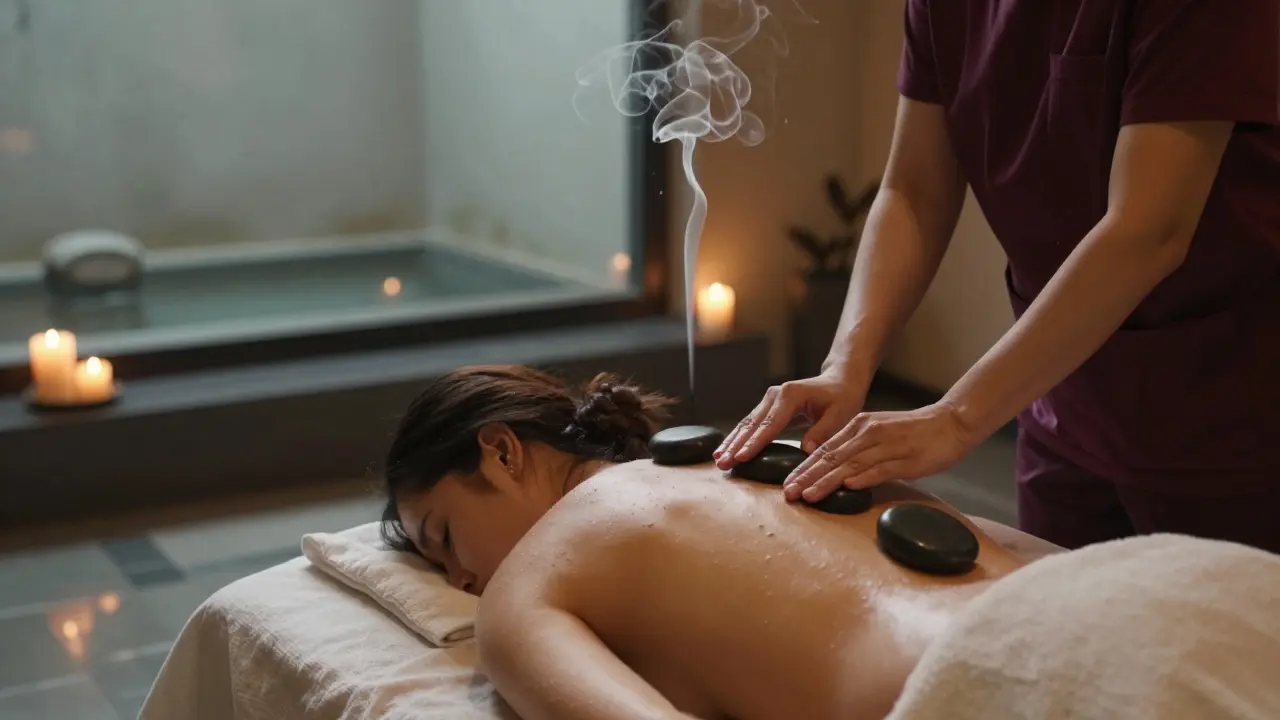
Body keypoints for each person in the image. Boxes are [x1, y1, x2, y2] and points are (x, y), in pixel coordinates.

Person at [716, 0, 1280, 553]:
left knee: (1216, 640)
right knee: (1055, 631)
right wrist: (846, 365)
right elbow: (914, 193)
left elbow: (1148, 229)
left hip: (1227, 412)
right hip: (1057, 391)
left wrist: (956, 419)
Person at [380, 365, 1035, 720]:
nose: (460, 580)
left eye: (442, 538)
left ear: (500, 452)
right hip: (1089, 610)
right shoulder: (772, 458)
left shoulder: (524, 588)